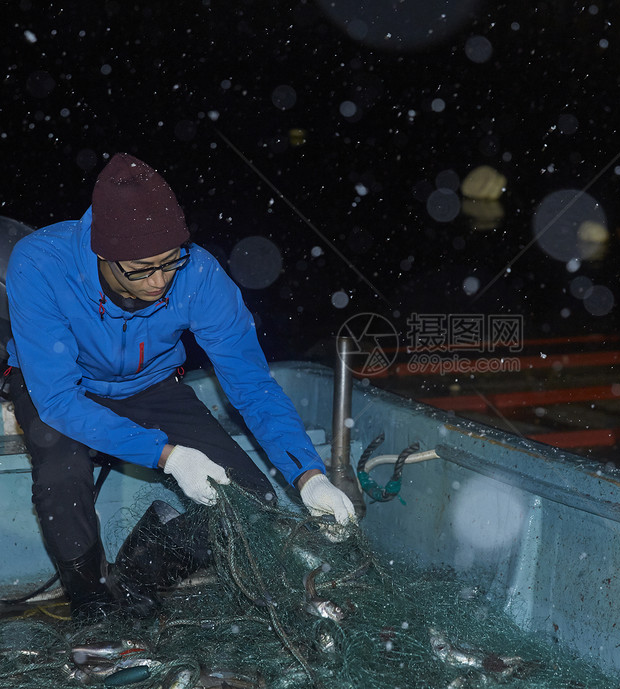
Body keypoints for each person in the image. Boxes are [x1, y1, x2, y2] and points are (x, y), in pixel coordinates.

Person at [4, 152, 356, 619]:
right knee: (61, 474)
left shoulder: (200, 274)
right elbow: (59, 400)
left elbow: (253, 387)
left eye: (170, 263)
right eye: (142, 269)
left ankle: (134, 578)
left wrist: (308, 476)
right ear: (101, 254)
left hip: (150, 386)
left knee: (249, 500)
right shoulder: (40, 263)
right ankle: (90, 603)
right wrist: (169, 456)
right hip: (62, 387)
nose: (159, 281)